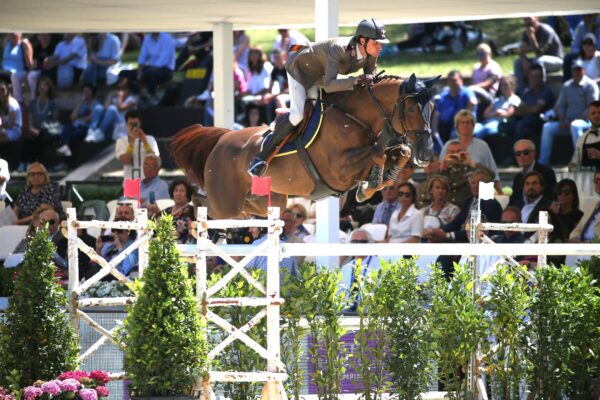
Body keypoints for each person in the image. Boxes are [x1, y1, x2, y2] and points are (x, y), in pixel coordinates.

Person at [247, 18, 389, 177]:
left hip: (321, 75)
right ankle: (261, 157)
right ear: (362, 41)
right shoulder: (339, 48)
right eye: (376, 43)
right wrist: (356, 80)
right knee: (298, 114)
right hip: (300, 69)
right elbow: (329, 85)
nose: (380, 47)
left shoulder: (370, 53)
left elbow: (371, 84)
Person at [538, 60, 599, 165]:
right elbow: (561, 105)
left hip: (586, 123)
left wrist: (574, 119)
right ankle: (543, 162)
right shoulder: (567, 86)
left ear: (583, 70)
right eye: (574, 70)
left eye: (578, 70)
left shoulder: (590, 85)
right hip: (566, 122)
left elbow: (592, 109)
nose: (576, 72)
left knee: (575, 125)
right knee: (547, 127)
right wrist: (562, 119)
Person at [439, 109, 502, 194]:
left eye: (468, 122)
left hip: (480, 190)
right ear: (457, 126)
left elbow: (492, 170)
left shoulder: (482, 145)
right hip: (455, 191)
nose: (465, 125)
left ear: (473, 125)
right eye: (462, 123)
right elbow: (439, 170)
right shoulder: (449, 145)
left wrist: (500, 192)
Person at [514, 17, 564, 93]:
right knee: (517, 62)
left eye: (531, 24)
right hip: (539, 59)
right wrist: (523, 59)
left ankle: (542, 91)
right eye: (526, 25)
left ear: (537, 19)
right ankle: (521, 92)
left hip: (556, 61)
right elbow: (522, 50)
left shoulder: (546, 31)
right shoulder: (526, 32)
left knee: (538, 61)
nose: (529, 27)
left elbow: (539, 53)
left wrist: (532, 37)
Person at [440, 140, 494, 207]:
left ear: (465, 152)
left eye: (459, 151)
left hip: (467, 207)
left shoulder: (472, 168)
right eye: (452, 153)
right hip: (447, 209)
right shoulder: (444, 170)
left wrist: (471, 163)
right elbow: (432, 184)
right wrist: (443, 166)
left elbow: (491, 176)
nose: (456, 155)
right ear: (447, 155)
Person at [86, 74, 139, 142]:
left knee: (112, 109)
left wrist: (120, 97)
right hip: (113, 127)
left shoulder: (133, 100)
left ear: (128, 90)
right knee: (98, 108)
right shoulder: (116, 99)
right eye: (119, 89)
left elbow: (121, 108)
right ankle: (91, 131)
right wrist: (110, 95)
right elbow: (105, 109)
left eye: (122, 90)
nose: (120, 91)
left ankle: (99, 132)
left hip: (124, 128)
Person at [340, 228, 381, 312]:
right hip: (346, 314)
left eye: (362, 242)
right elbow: (339, 294)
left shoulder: (379, 266)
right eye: (354, 242)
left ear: (370, 244)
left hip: (370, 314)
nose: (358, 245)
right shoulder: (346, 268)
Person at [513, 62, 555, 143]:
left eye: (536, 77)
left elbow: (535, 110)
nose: (533, 79)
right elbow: (518, 111)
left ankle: (514, 155)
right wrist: (530, 108)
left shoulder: (545, 91)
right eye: (531, 76)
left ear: (542, 77)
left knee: (521, 126)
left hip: (541, 121)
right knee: (505, 127)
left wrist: (526, 109)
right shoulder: (526, 91)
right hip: (527, 121)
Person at [432, 70, 477, 143]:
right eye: (450, 81)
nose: (452, 83)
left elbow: (473, 102)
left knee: (454, 135)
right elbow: (436, 115)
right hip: (444, 126)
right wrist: (434, 131)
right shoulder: (444, 95)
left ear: (461, 80)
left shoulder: (466, 92)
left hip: (461, 125)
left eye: (455, 80)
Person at [57, 83, 101, 157]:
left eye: (87, 91)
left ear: (92, 92)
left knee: (72, 135)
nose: (85, 93)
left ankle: (66, 148)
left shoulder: (96, 104)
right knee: (65, 128)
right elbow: (72, 117)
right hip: (77, 125)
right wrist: (80, 102)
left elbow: (90, 118)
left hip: (87, 128)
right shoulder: (83, 104)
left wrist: (79, 119)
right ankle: (65, 147)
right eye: (84, 91)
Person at [509, 139, 556, 205]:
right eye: (518, 154)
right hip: (522, 213)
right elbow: (513, 201)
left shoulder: (547, 173)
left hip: (542, 212)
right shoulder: (517, 178)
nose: (522, 156)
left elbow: (550, 198)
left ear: (534, 153)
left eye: (526, 152)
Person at [115, 110, 159, 180]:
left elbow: (155, 160)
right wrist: (131, 143)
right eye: (130, 124)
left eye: (135, 124)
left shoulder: (150, 139)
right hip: (131, 181)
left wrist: (145, 141)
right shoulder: (121, 141)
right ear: (126, 124)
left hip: (148, 180)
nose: (133, 127)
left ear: (140, 124)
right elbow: (126, 161)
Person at [563, 14, 600, 81]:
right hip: (583, 55)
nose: (586, 18)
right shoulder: (581, 26)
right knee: (568, 58)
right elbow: (574, 47)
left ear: (595, 16)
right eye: (584, 16)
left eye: (589, 16)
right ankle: (568, 83)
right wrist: (584, 51)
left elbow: (597, 47)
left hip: (596, 55)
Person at [549, 178, 584, 243]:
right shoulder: (551, 214)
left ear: (574, 195)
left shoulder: (579, 216)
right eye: (559, 193)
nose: (562, 195)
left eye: (567, 193)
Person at [26, 34, 59, 102]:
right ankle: (34, 98)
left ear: (49, 36)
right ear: (38, 37)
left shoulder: (54, 47)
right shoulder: (36, 48)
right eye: (41, 36)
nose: (44, 37)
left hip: (51, 70)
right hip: (39, 69)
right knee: (31, 75)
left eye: (45, 35)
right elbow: (34, 62)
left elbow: (56, 59)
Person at [2, 32, 33, 103]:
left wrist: (28, 78)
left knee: (12, 76)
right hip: (4, 72)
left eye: (16, 33)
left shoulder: (24, 44)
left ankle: (19, 102)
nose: (14, 34)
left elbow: (29, 63)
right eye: (12, 33)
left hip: (18, 73)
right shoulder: (6, 42)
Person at [570, 170, 600, 242]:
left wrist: (591, 243)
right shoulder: (592, 204)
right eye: (596, 180)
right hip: (581, 247)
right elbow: (577, 229)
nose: (598, 183)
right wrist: (575, 239)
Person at [162, 179, 196, 244]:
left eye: (182, 191)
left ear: (188, 194)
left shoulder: (192, 210)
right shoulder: (167, 210)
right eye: (176, 191)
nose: (178, 193)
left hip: (186, 246)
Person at [570, 100, 600, 170]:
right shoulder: (582, 139)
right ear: (588, 117)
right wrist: (572, 166)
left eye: (599, 113)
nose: (596, 115)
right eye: (593, 113)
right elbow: (576, 161)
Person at [0, 74, 23, 144]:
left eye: (2, 90)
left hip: (15, 130)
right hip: (4, 129)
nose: (0, 92)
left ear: (7, 90)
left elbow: (10, 125)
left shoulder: (12, 103)